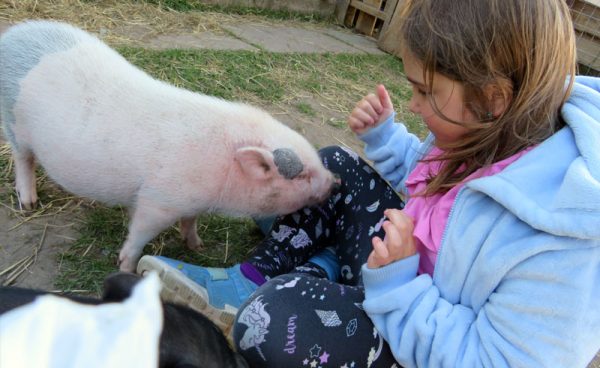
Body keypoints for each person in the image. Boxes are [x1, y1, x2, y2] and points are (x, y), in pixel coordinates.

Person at [137, 0, 600, 366]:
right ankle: (258, 276)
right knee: (331, 170)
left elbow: (490, 359)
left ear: (493, 98)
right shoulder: (498, 131)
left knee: (272, 317)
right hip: (401, 274)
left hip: (418, 335)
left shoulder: (564, 236)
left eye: (425, 91)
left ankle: (312, 272)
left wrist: (399, 283)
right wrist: (385, 138)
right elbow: (436, 189)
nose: (414, 104)